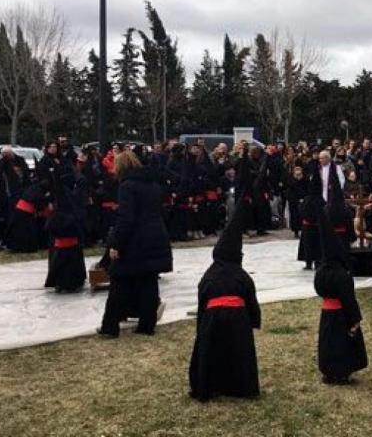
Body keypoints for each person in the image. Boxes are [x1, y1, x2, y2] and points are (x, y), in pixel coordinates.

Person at [189, 155, 262, 402]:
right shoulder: (241, 276)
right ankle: (242, 386)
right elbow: (251, 300)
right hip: (238, 317)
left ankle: (209, 385)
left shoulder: (208, 276)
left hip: (212, 318)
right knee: (239, 353)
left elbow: (202, 301)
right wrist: (254, 320)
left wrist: (201, 323)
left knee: (212, 352)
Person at [98, 150, 173, 338]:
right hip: (155, 235)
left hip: (135, 239)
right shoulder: (152, 184)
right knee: (148, 282)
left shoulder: (127, 186)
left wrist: (116, 244)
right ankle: (147, 325)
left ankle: (110, 327)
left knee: (119, 281)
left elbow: (126, 218)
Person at [314, 206, 368, 385]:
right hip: (341, 313)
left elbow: (319, 290)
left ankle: (328, 372)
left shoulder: (320, 273)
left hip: (327, 311)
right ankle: (342, 373)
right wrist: (355, 319)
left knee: (327, 342)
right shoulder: (342, 274)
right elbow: (348, 299)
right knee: (341, 343)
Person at [43, 176, 87, 293]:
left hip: (61, 242)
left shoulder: (60, 200)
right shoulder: (72, 199)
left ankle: (61, 282)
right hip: (71, 241)